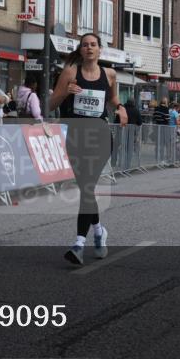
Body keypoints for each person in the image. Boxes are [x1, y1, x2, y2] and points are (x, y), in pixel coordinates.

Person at [48, 32, 127, 266]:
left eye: (93, 45)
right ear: (80, 50)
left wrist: (121, 107)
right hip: (76, 136)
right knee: (87, 189)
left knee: (88, 187)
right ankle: (99, 231)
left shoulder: (110, 74)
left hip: (99, 137)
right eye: (85, 45)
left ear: (100, 49)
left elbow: (112, 98)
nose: (89, 48)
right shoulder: (70, 73)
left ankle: (79, 244)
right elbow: (50, 104)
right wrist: (66, 92)